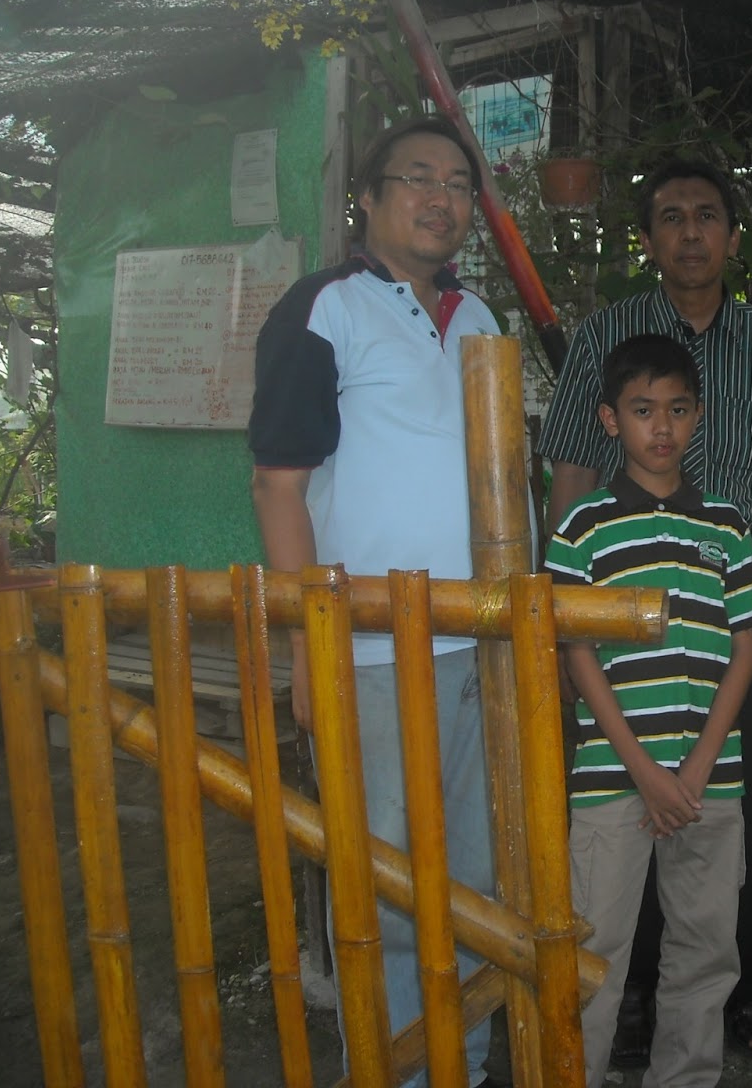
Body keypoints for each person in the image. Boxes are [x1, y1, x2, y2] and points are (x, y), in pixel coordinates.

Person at [538, 158, 752, 1054]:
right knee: (630, 802)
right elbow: (573, 470)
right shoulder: (607, 333)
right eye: (671, 217)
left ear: (733, 237)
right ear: (650, 239)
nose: (692, 232)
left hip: (747, 609)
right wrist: (562, 619)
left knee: (731, 806)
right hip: (621, 616)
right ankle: (631, 993)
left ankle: (742, 992)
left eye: (709, 216)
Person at [247, 117, 501, 1088]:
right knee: (386, 879)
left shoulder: (476, 318)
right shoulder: (325, 309)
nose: (440, 197)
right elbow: (278, 485)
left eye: (458, 184)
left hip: (472, 642)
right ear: (368, 196)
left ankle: (462, 1065)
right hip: (369, 652)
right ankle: (392, 1070)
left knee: (471, 871)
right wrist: (311, 650)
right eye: (417, 178)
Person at [546, 333, 752, 1088]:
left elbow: (745, 647)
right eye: (643, 410)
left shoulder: (727, 524)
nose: (662, 427)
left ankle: (686, 1077)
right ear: (611, 420)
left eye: (677, 409)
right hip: (616, 777)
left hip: (713, 781)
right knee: (595, 951)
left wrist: (700, 765)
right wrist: (646, 770)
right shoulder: (582, 528)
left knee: (707, 950)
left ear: (698, 415)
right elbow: (577, 654)